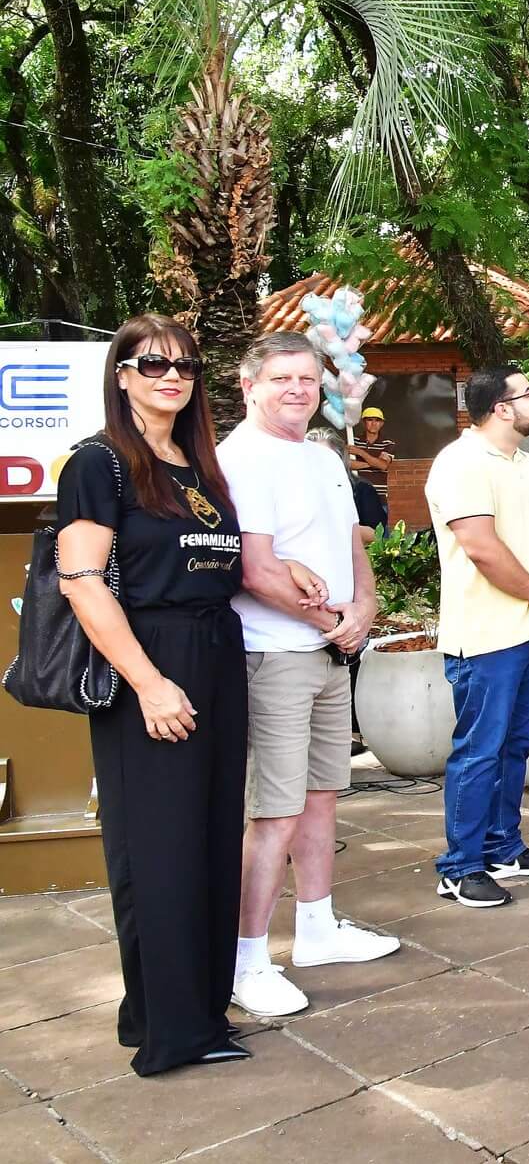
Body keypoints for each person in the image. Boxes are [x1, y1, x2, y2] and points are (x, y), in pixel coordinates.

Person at [55, 315, 249, 1073]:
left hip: (215, 653)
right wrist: (148, 681)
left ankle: (191, 1008)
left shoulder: (196, 463)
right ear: (122, 373)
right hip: (150, 658)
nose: (172, 375)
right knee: (160, 849)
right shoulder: (97, 464)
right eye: (154, 362)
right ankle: (173, 1031)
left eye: (186, 365)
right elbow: (81, 584)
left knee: (209, 839)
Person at [219, 334, 397, 1020]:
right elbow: (255, 568)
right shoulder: (239, 458)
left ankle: (318, 929)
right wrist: (332, 623)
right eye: (281, 377)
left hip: (328, 652)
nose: (298, 388)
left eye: (308, 377)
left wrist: (367, 607)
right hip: (274, 655)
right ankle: (247, 958)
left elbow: (354, 546)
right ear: (249, 385)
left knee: (322, 796)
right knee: (275, 811)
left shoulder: (322, 457)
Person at [424, 366, 529, 908]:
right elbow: (481, 547)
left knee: (516, 745)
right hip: (486, 636)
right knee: (479, 751)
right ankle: (459, 867)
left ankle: (503, 847)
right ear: (502, 409)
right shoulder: (460, 463)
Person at [310, 427, 387, 543]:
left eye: (327, 456)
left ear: (341, 458)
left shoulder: (361, 490)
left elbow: (377, 535)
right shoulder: (293, 491)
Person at [348, 407, 395, 479]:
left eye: (377, 420)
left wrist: (360, 452)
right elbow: (348, 464)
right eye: (370, 420)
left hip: (378, 489)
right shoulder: (353, 441)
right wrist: (375, 463)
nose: (374, 424)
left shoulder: (388, 443)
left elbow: (383, 466)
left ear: (382, 423)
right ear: (363, 422)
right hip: (358, 488)